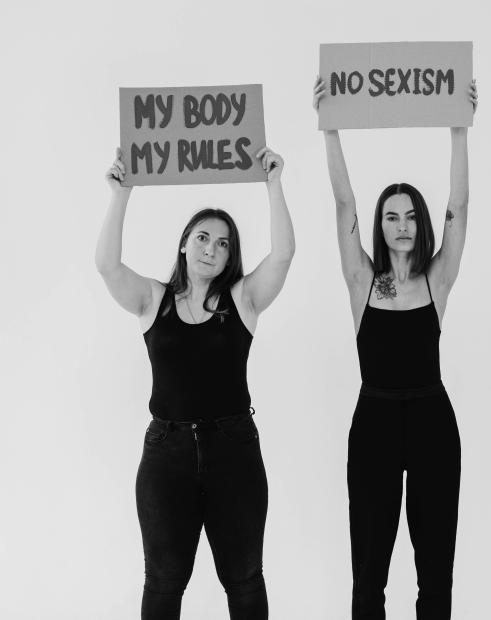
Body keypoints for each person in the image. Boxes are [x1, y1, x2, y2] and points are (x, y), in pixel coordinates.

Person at [96, 146, 295, 620]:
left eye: (223, 243)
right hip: (167, 456)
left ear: (230, 255)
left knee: (244, 579)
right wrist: (121, 194)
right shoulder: (152, 299)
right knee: (164, 582)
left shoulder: (244, 299)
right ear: (185, 243)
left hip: (234, 452)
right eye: (203, 238)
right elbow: (107, 265)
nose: (211, 248)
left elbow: (284, 254)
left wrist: (273, 183)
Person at [313, 76, 477, 619]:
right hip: (375, 423)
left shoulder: (437, 279)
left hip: (432, 420)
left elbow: (459, 204)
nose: (401, 225)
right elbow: (343, 203)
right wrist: (329, 129)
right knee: (369, 571)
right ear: (380, 226)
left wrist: (460, 127)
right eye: (391, 216)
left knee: (436, 570)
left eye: (410, 215)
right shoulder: (363, 280)